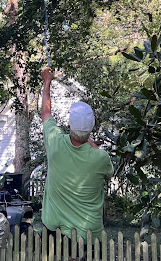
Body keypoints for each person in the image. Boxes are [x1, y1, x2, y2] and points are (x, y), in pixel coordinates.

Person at [40, 66, 113, 244]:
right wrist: (89, 141)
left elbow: (46, 113)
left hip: (54, 232)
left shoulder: (55, 142)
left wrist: (47, 82)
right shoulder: (101, 158)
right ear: (91, 128)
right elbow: (108, 174)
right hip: (87, 235)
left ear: (69, 126)